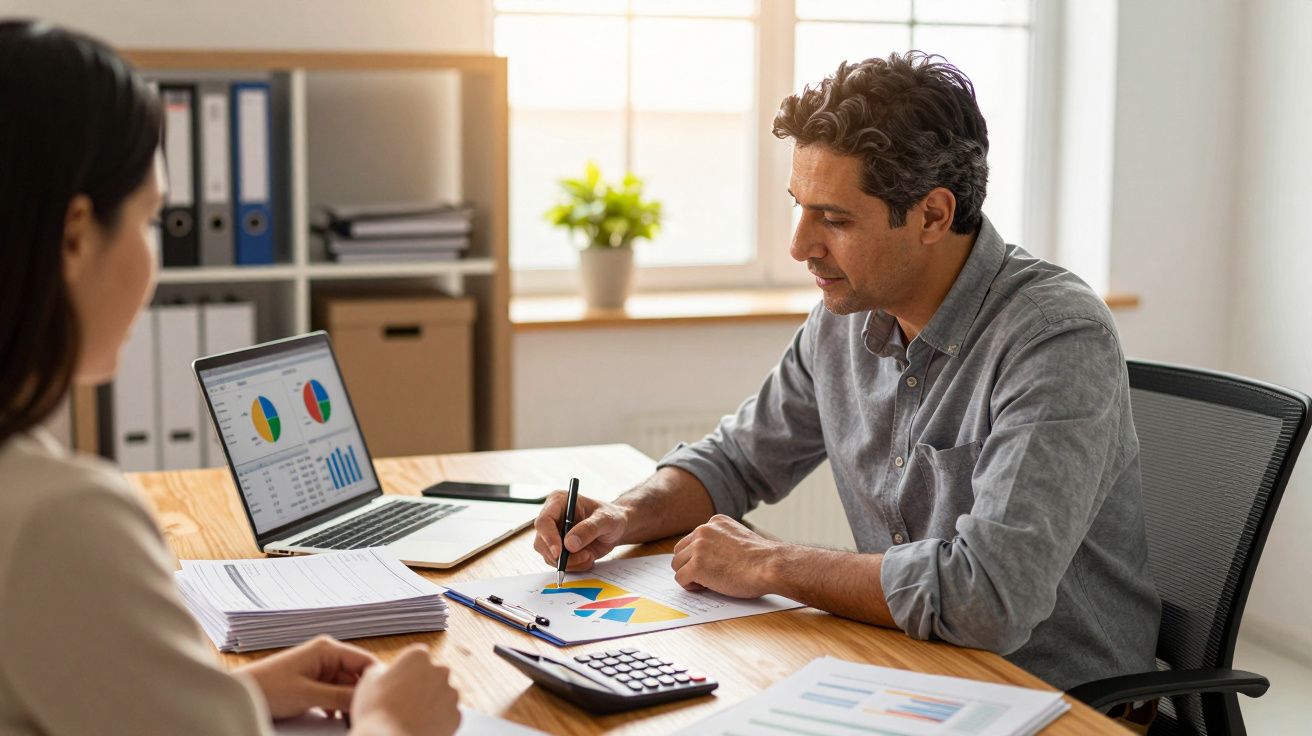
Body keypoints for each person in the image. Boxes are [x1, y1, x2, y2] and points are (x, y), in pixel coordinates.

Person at [534, 52, 1162, 696]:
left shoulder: (1053, 336)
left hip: (1054, 697)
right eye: (799, 207)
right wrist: (620, 514)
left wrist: (771, 563)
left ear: (933, 216)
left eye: (833, 219)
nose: (799, 245)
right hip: (904, 669)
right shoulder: (843, 316)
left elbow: (990, 599)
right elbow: (736, 462)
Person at [0, 20, 460, 735]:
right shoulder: (60, 520)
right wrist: (392, 724)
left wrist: (231, 697)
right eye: (153, 219)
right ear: (75, 234)